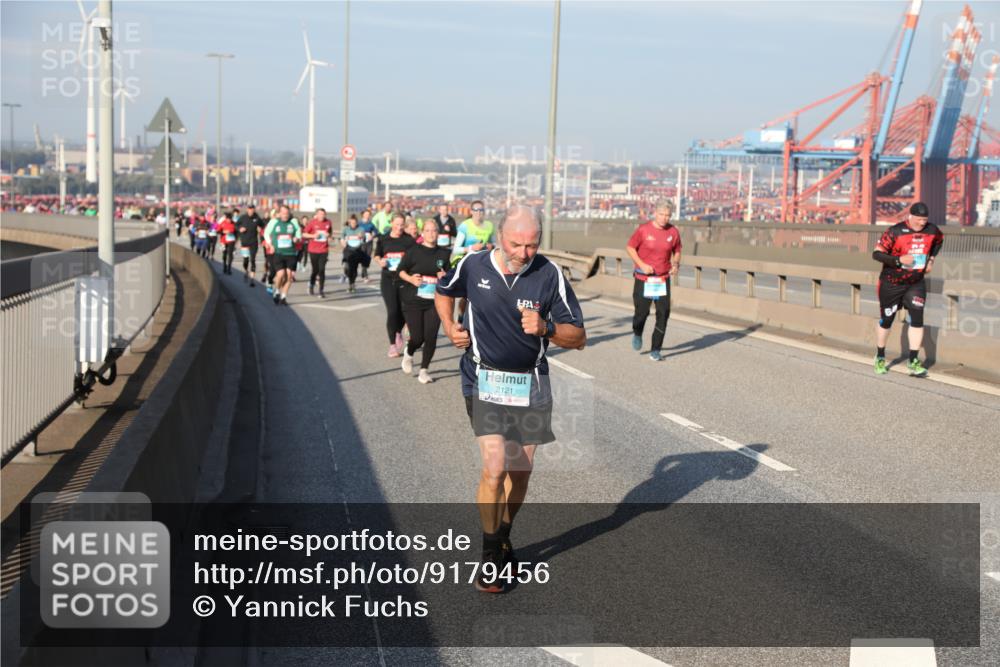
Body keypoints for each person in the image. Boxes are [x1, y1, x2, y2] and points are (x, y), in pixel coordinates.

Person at [435, 205, 586, 593]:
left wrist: (547, 327)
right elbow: (443, 291)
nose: (523, 252)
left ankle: (503, 536)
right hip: (482, 378)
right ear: (499, 237)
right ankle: (489, 556)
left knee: (520, 472)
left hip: (531, 383)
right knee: (494, 467)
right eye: (516, 244)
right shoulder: (473, 265)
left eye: (531, 245)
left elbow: (578, 337)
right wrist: (449, 325)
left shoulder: (549, 274)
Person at [871, 201, 943, 377]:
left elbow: (939, 241)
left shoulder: (932, 230)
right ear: (910, 217)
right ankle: (880, 356)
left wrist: (931, 260)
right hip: (891, 283)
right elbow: (877, 254)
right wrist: (898, 260)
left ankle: (913, 361)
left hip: (915, 283)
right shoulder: (895, 231)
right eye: (919, 220)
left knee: (917, 320)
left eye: (924, 220)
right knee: (887, 320)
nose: (922, 223)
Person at [625, 201, 682, 361]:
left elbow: (677, 250)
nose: (664, 218)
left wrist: (675, 264)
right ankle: (637, 332)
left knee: (663, 314)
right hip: (644, 279)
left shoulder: (673, 232)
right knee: (641, 313)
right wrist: (642, 265)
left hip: (662, 279)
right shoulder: (643, 230)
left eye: (668, 215)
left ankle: (656, 350)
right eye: (661, 214)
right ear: (655, 214)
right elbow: (630, 247)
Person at [398, 219, 451, 384]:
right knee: (417, 337)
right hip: (413, 300)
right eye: (427, 230)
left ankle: (424, 370)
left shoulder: (444, 253)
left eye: (434, 230)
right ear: (422, 233)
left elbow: (450, 276)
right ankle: (409, 352)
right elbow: (400, 271)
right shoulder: (413, 251)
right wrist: (411, 279)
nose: (431, 234)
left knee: (431, 336)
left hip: (434, 301)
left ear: (438, 233)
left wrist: (445, 276)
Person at [373, 213, 415, 357]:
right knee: (392, 311)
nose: (399, 227)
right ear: (391, 223)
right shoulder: (383, 239)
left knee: (403, 311)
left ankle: (397, 331)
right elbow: (377, 254)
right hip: (388, 279)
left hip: (404, 280)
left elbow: (415, 258)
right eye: (396, 224)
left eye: (402, 225)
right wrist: (380, 261)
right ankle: (392, 345)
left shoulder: (409, 240)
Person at [262, 205, 302, 305]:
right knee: (280, 274)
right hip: (278, 253)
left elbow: (299, 233)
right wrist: (270, 244)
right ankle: (277, 291)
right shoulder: (274, 222)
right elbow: (266, 233)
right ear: (279, 213)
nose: (285, 215)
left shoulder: (293, 222)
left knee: (289, 276)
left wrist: (297, 238)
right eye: (283, 213)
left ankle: (283, 296)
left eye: (287, 213)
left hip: (291, 253)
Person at [451, 200, 495, 266]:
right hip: (463, 262)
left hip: (480, 262)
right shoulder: (465, 225)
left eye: (481, 210)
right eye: (475, 210)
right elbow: (455, 250)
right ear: (471, 211)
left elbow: (493, 244)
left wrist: (491, 246)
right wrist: (471, 248)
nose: (478, 212)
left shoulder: (489, 225)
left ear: (484, 211)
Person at [303, 207, 334, 298]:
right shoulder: (312, 222)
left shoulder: (328, 222)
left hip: (324, 250)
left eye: (323, 214)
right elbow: (304, 234)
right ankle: (311, 284)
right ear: (316, 215)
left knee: (322, 270)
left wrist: (329, 236)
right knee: (315, 270)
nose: (322, 216)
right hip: (313, 250)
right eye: (320, 214)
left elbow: (330, 233)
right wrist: (313, 236)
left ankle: (321, 290)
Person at [237, 203, 266, 287]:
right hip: (245, 242)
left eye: (252, 209)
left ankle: (252, 280)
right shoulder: (243, 217)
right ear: (247, 210)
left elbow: (263, 226)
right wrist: (240, 229)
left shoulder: (257, 218)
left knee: (252, 259)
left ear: (254, 209)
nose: (251, 210)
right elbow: (236, 225)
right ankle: (246, 270)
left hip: (253, 242)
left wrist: (261, 229)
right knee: (246, 260)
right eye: (249, 209)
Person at [340, 214, 371, 293]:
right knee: (348, 267)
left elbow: (364, 240)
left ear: (357, 222)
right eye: (352, 223)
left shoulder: (361, 229)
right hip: (348, 250)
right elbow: (342, 239)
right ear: (349, 222)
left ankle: (352, 284)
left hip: (357, 250)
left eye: (354, 223)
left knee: (354, 269)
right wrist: (343, 243)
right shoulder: (346, 229)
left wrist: (362, 236)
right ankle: (346, 273)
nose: (353, 224)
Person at [358, 209, 377, 282]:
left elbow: (376, 232)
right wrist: (359, 235)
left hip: (369, 242)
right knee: (363, 258)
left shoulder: (371, 224)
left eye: (368, 214)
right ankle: (365, 276)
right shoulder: (359, 223)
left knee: (368, 258)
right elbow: (355, 231)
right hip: (361, 243)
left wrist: (372, 236)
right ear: (363, 215)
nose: (367, 215)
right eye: (366, 214)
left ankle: (363, 272)